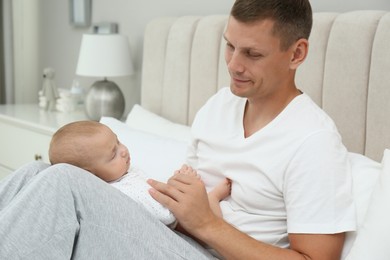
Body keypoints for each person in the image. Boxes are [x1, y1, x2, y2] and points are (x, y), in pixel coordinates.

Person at [0, 0, 355, 259]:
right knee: (36, 172)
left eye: (252, 54)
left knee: (64, 182)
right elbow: (187, 203)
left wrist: (208, 226)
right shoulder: (218, 106)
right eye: (229, 46)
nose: (234, 64)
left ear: (296, 54)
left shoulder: (314, 141)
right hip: (175, 237)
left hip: (211, 253)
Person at [49, 120, 231, 225]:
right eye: (113, 154)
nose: (124, 150)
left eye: (118, 141)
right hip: (181, 231)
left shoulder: (123, 173)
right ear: (91, 176)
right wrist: (180, 186)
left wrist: (173, 183)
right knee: (207, 215)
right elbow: (165, 215)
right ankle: (213, 198)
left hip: (174, 218)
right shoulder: (121, 194)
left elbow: (152, 193)